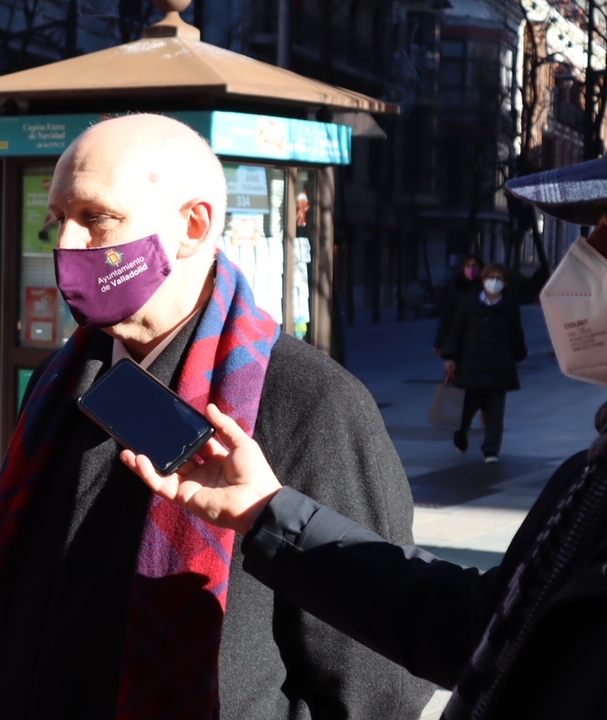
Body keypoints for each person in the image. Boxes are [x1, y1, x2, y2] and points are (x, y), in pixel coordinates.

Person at [0, 114, 432, 720]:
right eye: (58, 219)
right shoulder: (55, 381)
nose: (65, 243)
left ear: (193, 225)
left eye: (96, 218)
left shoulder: (313, 402)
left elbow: (373, 686)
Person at [117, 156, 607, 720]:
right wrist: (267, 512)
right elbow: (478, 625)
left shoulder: (316, 396)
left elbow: (377, 688)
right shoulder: (589, 475)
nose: (583, 258)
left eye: (605, 233)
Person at [440, 263, 527, 463]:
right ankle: (460, 435)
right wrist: (450, 357)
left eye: (499, 278)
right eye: (490, 277)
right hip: (470, 367)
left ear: (505, 283)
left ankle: (491, 450)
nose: (494, 281)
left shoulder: (510, 307)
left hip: (498, 368)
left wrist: (517, 354)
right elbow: (456, 332)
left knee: (495, 413)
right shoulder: (468, 304)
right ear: (483, 280)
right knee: (465, 410)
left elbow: (516, 334)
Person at [433, 254, 481, 358]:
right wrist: (439, 343)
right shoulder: (456, 288)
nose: (471, 269)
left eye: (474, 266)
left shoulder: (485, 288)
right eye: (468, 266)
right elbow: (446, 317)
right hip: (459, 340)